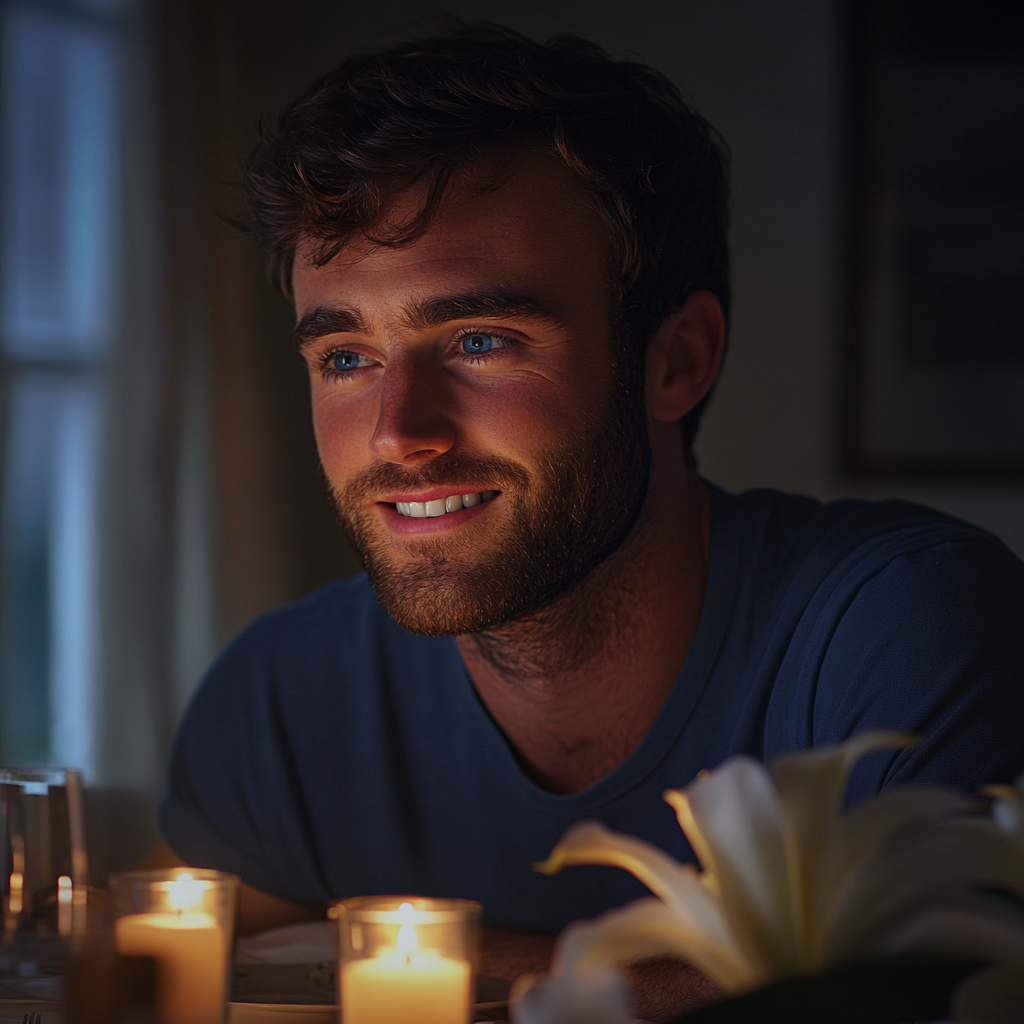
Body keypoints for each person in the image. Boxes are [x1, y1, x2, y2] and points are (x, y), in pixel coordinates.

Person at [149, 24, 1024, 1021]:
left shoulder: (910, 630)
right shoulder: (278, 702)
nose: (398, 433)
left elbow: (929, 997)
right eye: (345, 356)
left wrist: (445, 952)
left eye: (480, 339)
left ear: (677, 359)